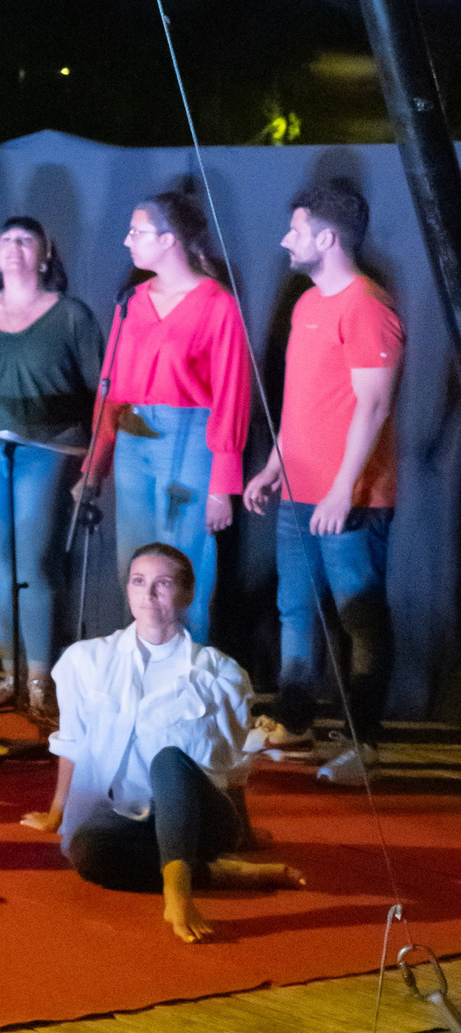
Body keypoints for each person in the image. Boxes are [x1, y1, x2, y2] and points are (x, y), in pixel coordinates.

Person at [27, 543, 300, 943]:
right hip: (125, 820)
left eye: (163, 583)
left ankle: (178, 890)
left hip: (201, 819)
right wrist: (56, 815)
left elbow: (235, 764)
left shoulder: (219, 673)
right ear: (128, 591)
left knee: (169, 761)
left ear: (187, 595)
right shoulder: (86, 661)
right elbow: (72, 743)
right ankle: (217, 874)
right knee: (85, 852)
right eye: (139, 582)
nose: (149, 594)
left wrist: (243, 832)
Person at [244, 175, 403, 782]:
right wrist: (274, 465)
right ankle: (294, 719)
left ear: (328, 237)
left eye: (297, 230)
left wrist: (341, 490)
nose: (286, 240)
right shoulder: (308, 303)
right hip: (298, 491)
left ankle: (365, 744)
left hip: (350, 500)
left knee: (360, 615)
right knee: (295, 608)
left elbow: (374, 405)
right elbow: (301, 403)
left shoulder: (367, 304)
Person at [83, 183, 251, 642]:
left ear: (168, 239)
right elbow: (110, 388)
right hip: (133, 439)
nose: (127, 240)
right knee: (135, 564)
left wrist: (222, 484)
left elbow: (233, 395)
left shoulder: (217, 305)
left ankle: (188, 675)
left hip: (190, 439)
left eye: (137, 231)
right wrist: (95, 465)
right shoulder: (131, 302)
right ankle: (141, 673)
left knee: (184, 561)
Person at [0, 217, 102, 722]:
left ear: (46, 253)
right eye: (5, 238)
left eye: (26, 239)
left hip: (47, 447)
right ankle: (11, 674)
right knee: (1, 562)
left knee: (35, 562)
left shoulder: (71, 315)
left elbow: (99, 390)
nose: (14, 247)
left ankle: (40, 678)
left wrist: (92, 461)